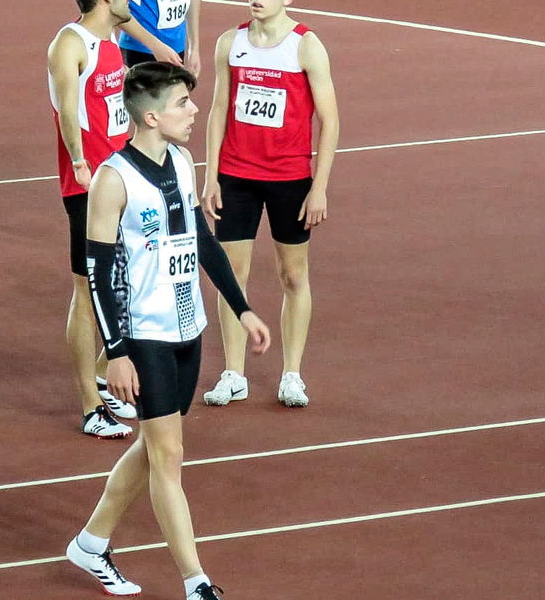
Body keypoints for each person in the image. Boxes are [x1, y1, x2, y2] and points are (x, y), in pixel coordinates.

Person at [64, 62, 271, 600]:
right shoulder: (113, 181)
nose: (194, 110)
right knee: (169, 455)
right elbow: (98, 272)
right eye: (183, 103)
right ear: (151, 115)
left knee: (157, 447)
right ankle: (196, 582)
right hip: (145, 337)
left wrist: (242, 308)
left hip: (188, 329)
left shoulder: (180, 161)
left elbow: (202, 240)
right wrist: (116, 352)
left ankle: (90, 543)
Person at [201, 0, 339, 408]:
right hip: (237, 176)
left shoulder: (307, 46)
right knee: (231, 274)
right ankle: (233, 373)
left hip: (290, 179)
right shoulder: (231, 42)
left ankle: (292, 375)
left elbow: (329, 120)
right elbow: (219, 109)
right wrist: (210, 175)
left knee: (293, 275)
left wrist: (320, 186)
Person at [48, 0, 141, 439]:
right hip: (86, 186)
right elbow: (69, 108)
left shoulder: (112, 38)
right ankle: (91, 406)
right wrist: (80, 159)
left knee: (133, 276)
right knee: (86, 291)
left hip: (121, 181)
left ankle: (105, 370)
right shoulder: (70, 43)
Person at [118, 0, 202, 76]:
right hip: (140, 48)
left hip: (176, 47)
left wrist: (194, 48)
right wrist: (155, 46)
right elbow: (114, 9)